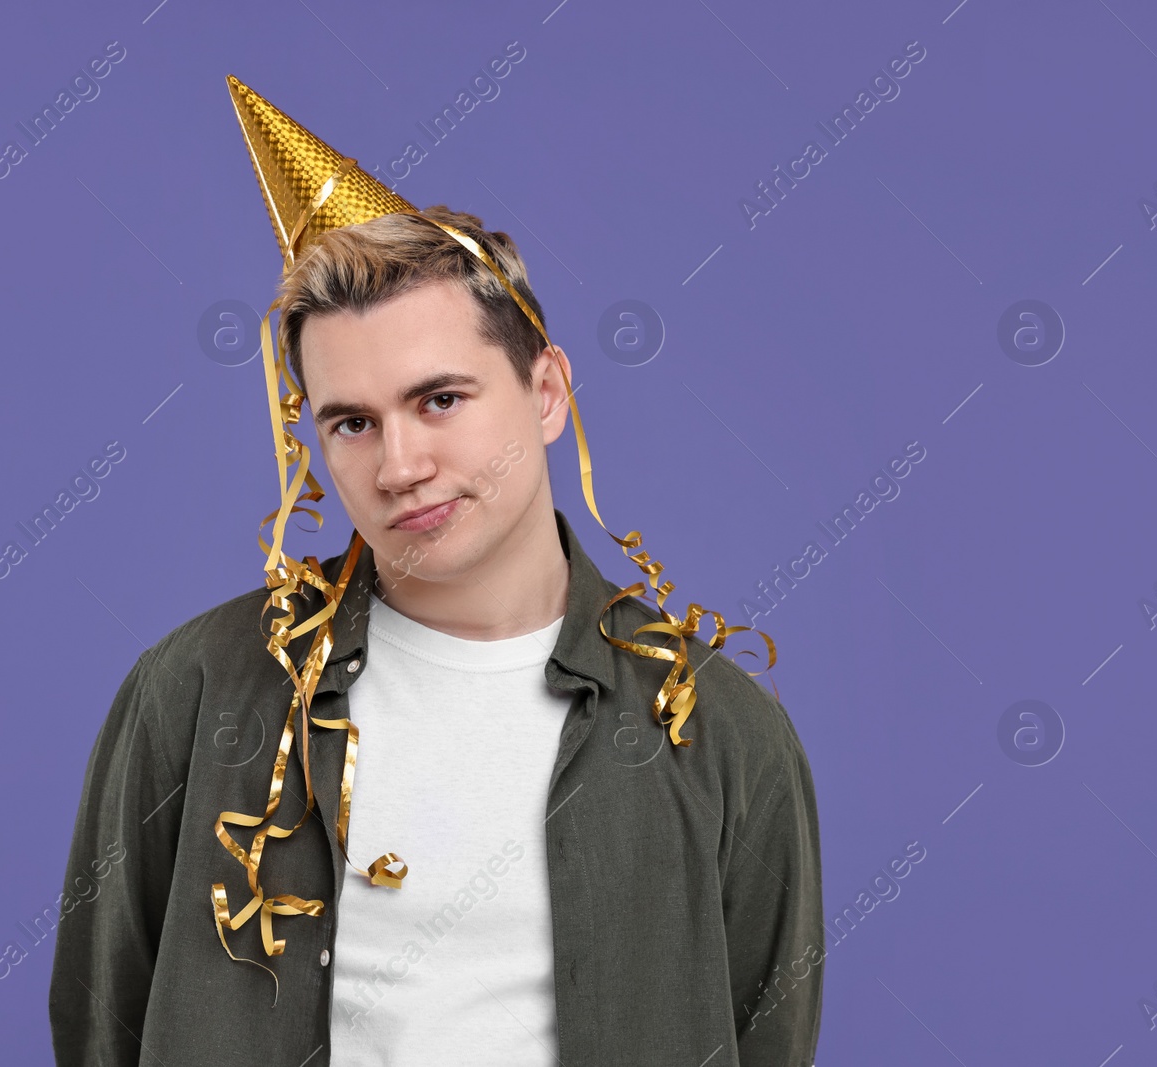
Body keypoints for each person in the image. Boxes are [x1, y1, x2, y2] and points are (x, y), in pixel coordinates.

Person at [48, 75, 823, 1067]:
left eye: (441, 399)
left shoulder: (713, 726)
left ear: (545, 390)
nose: (400, 464)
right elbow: (99, 1024)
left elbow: (768, 1037)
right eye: (353, 422)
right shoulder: (196, 693)